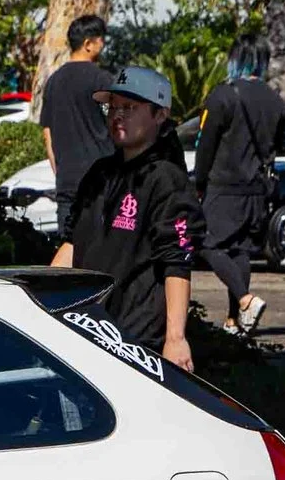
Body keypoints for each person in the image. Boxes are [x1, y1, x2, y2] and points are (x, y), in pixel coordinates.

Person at [50, 65, 201, 368]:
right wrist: (44, 302)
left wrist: (175, 339)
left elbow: (177, 261)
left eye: (129, 107)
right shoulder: (99, 174)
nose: (117, 115)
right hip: (85, 328)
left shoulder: (166, 180)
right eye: (112, 107)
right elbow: (72, 244)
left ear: (159, 114)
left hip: (134, 340)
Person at [193, 37, 285, 336]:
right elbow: (278, 144)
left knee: (205, 243)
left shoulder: (223, 95)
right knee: (240, 251)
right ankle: (235, 320)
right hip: (256, 190)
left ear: (235, 58)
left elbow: (205, 145)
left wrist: (198, 182)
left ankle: (246, 300)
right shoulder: (275, 99)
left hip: (223, 187)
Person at [37, 14, 114, 238]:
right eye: (101, 40)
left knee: (68, 245)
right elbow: (118, 125)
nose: (103, 45)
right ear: (88, 44)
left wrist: (59, 171)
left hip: (67, 181)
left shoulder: (54, 81)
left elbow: (48, 133)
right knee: (101, 247)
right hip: (100, 180)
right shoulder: (102, 80)